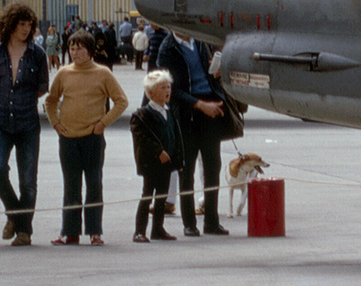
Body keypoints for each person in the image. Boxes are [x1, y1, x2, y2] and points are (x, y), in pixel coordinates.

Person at [45, 30, 129, 245]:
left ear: (90, 50)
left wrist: (103, 123)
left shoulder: (103, 74)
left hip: (93, 138)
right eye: (72, 48)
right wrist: (56, 123)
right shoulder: (63, 73)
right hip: (68, 138)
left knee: (94, 184)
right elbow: (51, 101)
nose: (75, 53)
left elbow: (121, 101)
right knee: (71, 185)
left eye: (79, 48)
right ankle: (70, 232)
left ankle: (94, 232)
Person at [157, 31, 231, 236]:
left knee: (213, 166)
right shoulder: (168, 48)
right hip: (187, 114)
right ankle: (189, 223)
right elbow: (171, 90)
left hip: (210, 107)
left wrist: (216, 74)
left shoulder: (201, 40)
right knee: (186, 169)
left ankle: (212, 221)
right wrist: (199, 104)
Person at [0, 4, 49, 245]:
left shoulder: (37, 54)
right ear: (11, 24)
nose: (26, 29)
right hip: (0, 122)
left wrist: (21, 100)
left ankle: (24, 232)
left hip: (28, 123)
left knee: (28, 181)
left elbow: (42, 87)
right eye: (21, 24)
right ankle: (14, 214)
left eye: (29, 25)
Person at [130, 71, 182, 241]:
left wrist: (178, 158)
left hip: (166, 163)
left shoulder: (170, 111)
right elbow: (141, 138)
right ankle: (139, 231)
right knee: (147, 195)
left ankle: (158, 229)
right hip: (150, 163)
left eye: (168, 87)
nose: (167, 91)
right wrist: (158, 151)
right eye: (162, 88)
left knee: (162, 196)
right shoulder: (142, 114)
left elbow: (176, 135)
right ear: (151, 93)